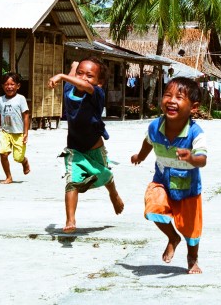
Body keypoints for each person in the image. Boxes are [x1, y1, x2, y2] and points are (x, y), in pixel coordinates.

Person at [131, 77, 207, 274]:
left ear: (193, 107)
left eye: (179, 97)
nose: (171, 101)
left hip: (188, 188)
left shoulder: (195, 132)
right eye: (167, 95)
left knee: (191, 229)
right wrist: (140, 156)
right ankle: (173, 237)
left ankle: (192, 259)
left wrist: (191, 158)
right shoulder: (155, 126)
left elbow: (202, 160)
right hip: (162, 182)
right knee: (153, 207)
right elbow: (148, 142)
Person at [48, 57, 124, 233]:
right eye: (80, 74)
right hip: (74, 149)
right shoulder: (69, 89)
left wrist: (62, 75)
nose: (83, 78)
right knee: (72, 182)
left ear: (100, 82)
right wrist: (74, 66)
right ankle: (70, 220)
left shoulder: (97, 93)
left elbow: (84, 85)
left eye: (89, 76)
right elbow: (75, 76)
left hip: (95, 148)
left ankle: (113, 193)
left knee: (104, 174)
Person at [0, 72, 30, 184]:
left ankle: (24, 161)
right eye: (6, 84)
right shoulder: (0, 100)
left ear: (18, 86)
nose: (9, 87)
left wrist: (26, 133)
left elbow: (26, 116)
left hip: (18, 133)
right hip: (6, 131)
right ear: (3, 86)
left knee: (18, 157)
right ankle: (8, 177)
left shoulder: (21, 99)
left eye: (12, 84)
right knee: (3, 153)